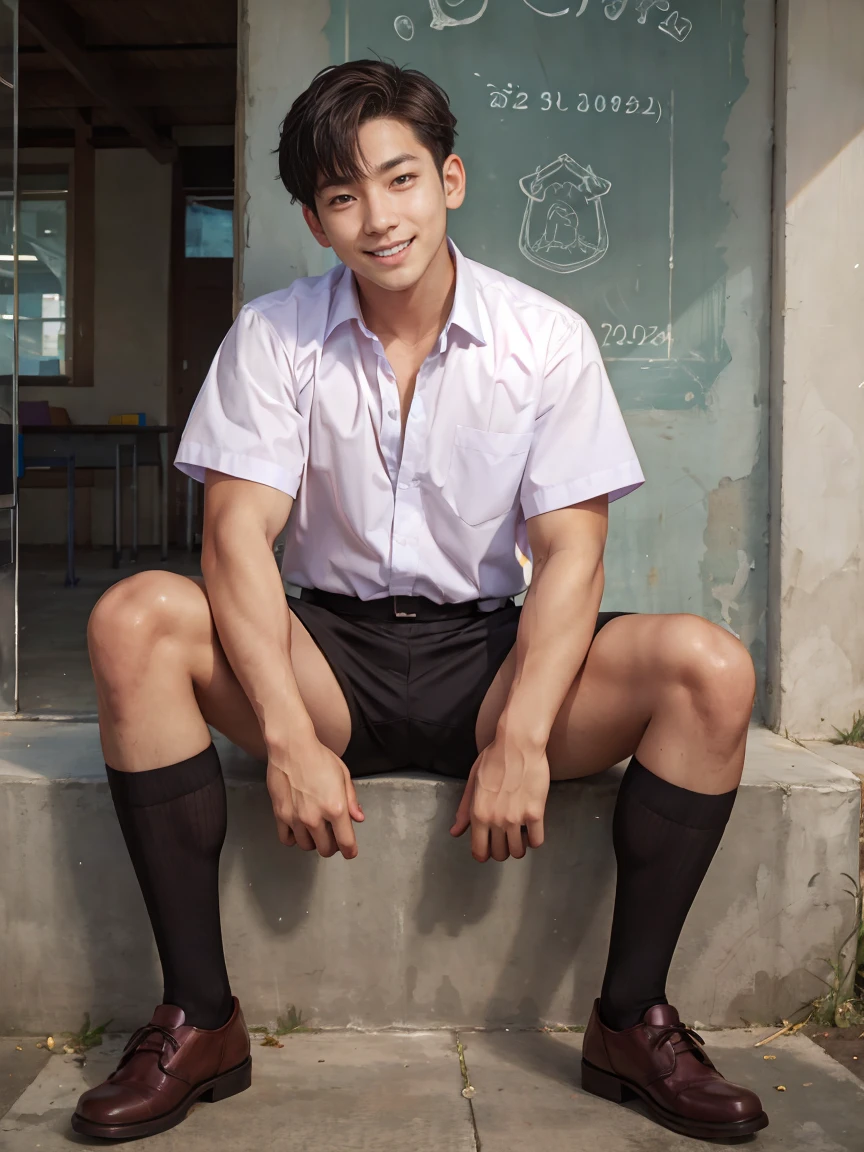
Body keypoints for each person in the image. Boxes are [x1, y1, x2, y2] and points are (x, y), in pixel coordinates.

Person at [72, 60, 768, 1142]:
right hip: (328, 653)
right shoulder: (273, 336)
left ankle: (634, 1020)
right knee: (134, 618)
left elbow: (573, 555)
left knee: (711, 668)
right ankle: (199, 1018)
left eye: (398, 180)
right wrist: (292, 739)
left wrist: (525, 736)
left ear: (449, 179)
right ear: (313, 218)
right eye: (344, 196)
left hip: (491, 653)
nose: (378, 218)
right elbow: (235, 540)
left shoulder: (545, 338)